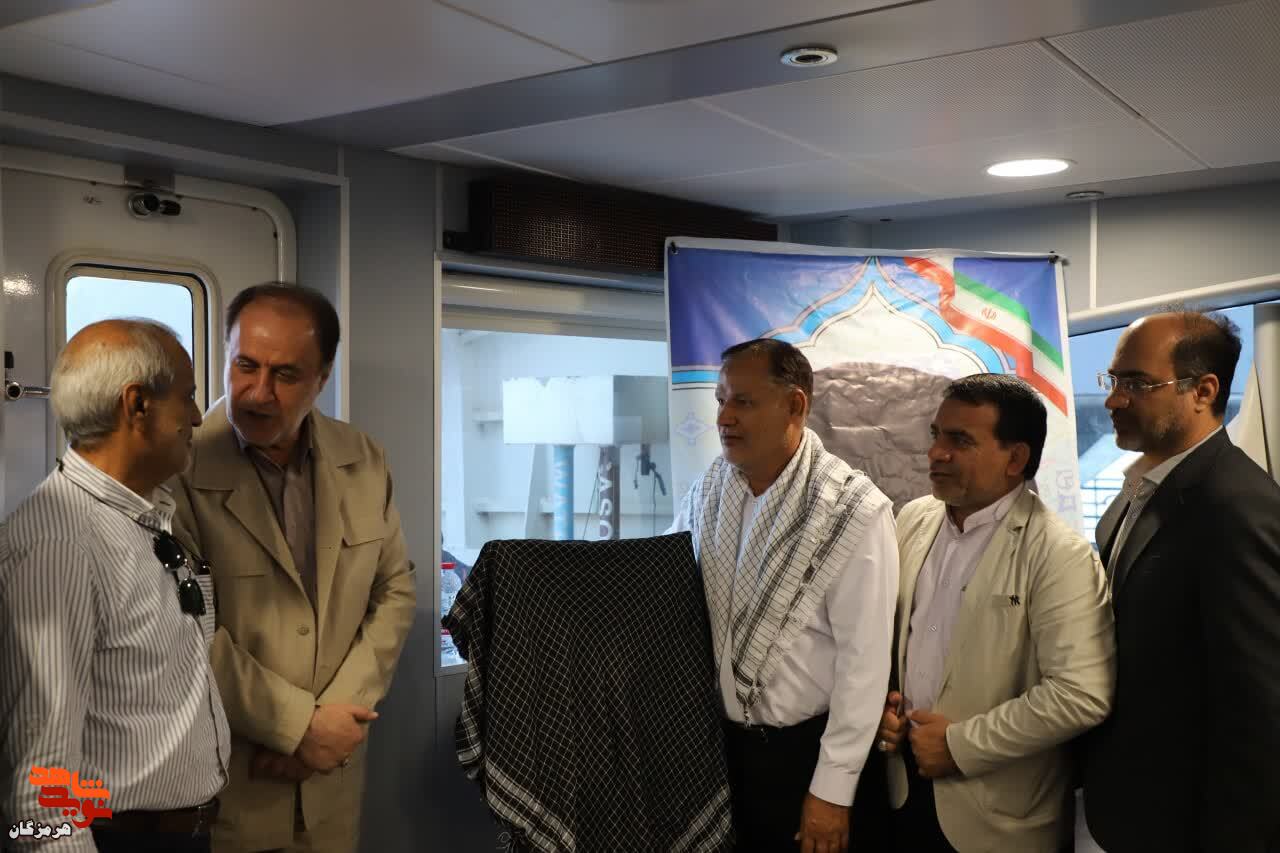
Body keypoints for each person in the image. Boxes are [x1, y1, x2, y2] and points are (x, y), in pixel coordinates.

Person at [170, 284, 417, 853]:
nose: (258, 393)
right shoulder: (179, 466)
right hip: (233, 780)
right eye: (245, 366)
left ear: (322, 378)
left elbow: (394, 590)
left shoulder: (364, 458)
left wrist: (333, 725)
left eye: (285, 375)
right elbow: (184, 630)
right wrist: (298, 726)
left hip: (331, 780)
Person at [0, 320, 230, 852]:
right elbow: (41, 793)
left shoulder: (143, 517)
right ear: (137, 405)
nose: (198, 417)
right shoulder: (59, 545)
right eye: (188, 397)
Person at [669, 339, 898, 853]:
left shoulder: (852, 511)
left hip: (806, 757)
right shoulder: (709, 493)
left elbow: (863, 665)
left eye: (743, 402)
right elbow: (662, 586)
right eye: (720, 400)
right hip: (721, 753)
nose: (724, 417)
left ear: (795, 405)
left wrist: (833, 790)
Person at [875, 373, 1115, 852]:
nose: (936, 453)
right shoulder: (913, 519)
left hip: (999, 819)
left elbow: (1081, 693)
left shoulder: (1057, 553)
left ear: (1016, 459)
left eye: (960, 441)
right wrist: (885, 707)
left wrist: (960, 746)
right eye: (936, 436)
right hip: (903, 792)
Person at [1082, 311, 1280, 852]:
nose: (1113, 399)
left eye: (1137, 384)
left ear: (1203, 391)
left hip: (1188, 823)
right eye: (1114, 380)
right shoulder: (1138, 490)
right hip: (1129, 806)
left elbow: (1260, 709)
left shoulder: (1237, 506)